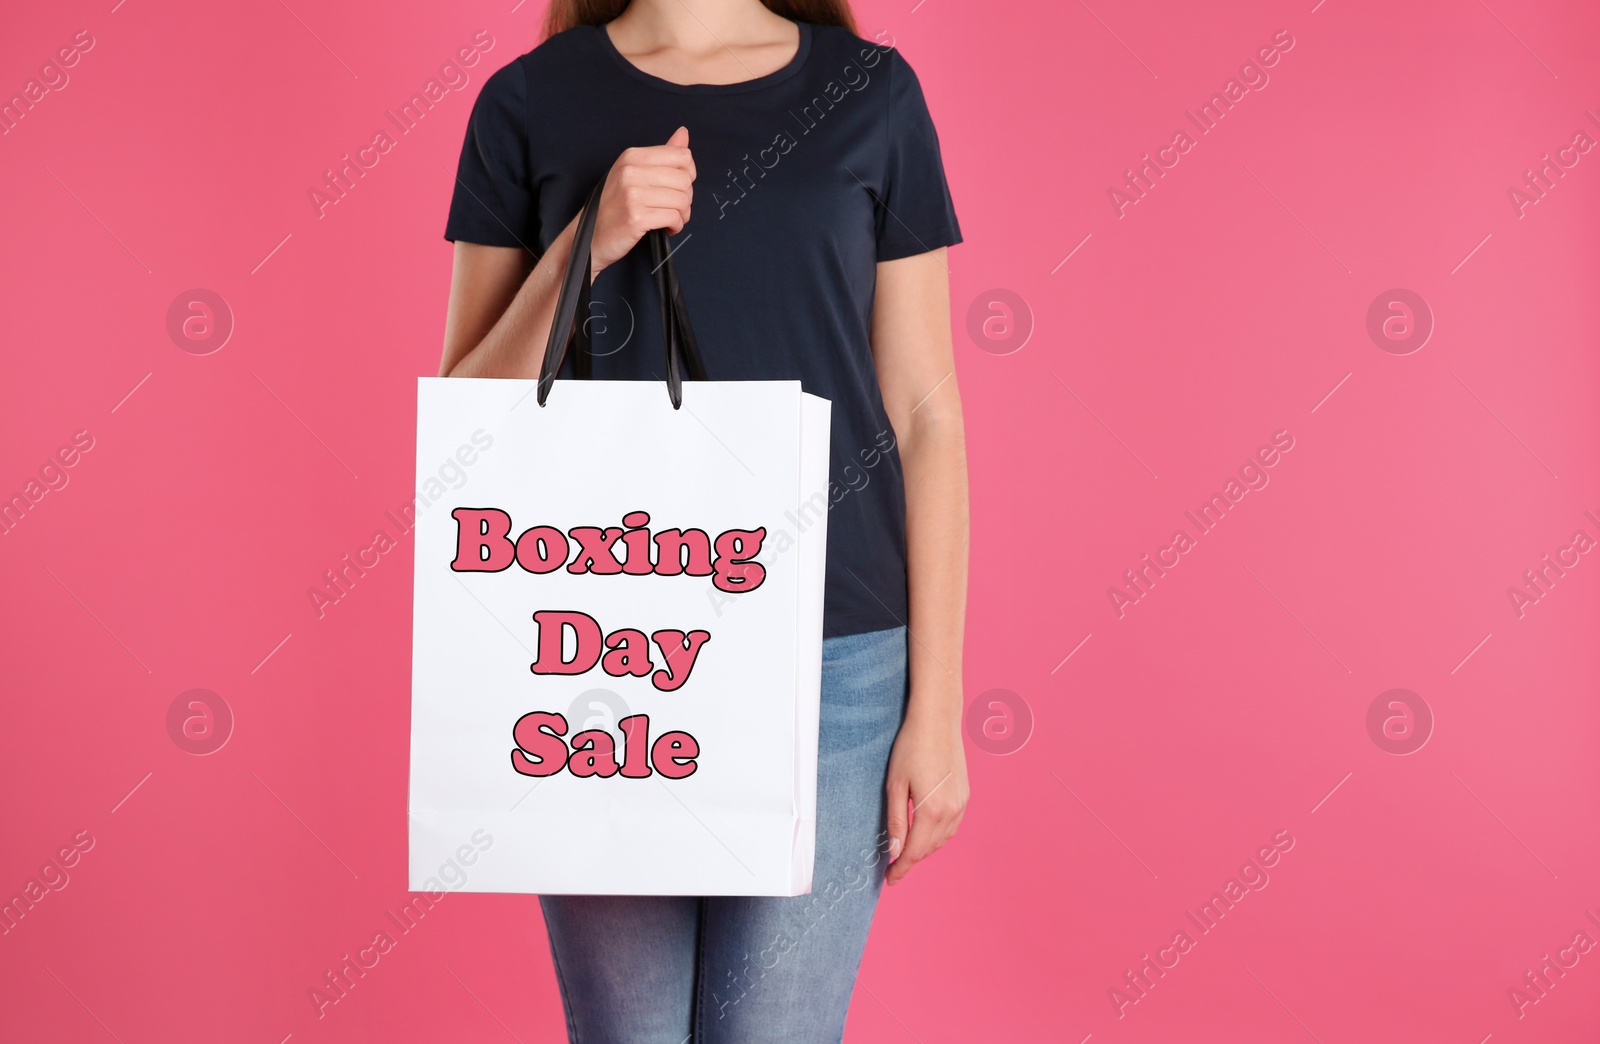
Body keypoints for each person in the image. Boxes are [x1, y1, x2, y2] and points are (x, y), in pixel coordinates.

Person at [437, 0, 969, 1038]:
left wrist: (937, 708)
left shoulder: (872, 93)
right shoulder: (530, 101)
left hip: (832, 657)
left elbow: (925, 414)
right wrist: (586, 241)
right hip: (601, 651)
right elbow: (466, 412)